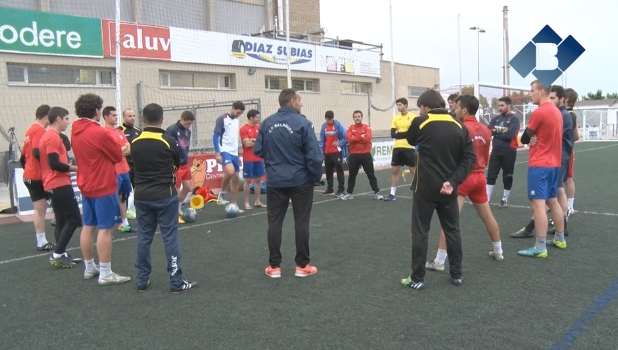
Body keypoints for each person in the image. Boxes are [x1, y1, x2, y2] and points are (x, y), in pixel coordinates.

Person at [400, 89, 475, 290]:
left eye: (420, 108)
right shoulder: (459, 125)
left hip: (425, 187)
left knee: (420, 232)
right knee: (452, 229)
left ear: (426, 106)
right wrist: (453, 181)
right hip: (449, 188)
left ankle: (417, 278)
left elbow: (410, 140)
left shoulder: (421, 122)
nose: (419, 111)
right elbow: (469, 158)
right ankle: (457, 274)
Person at [425, 95, 503, 273]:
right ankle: (498, 251)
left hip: (462, 178)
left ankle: (439, 261)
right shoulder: (485, 129)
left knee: (450, 220)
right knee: (487, 216)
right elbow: (485, 154)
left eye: (457, 107)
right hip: (479, 177)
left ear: (464, 110)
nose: (454, 109)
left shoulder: (459, 128)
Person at [254, 89, 322, 279]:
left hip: (275, 180)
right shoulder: (303, 123)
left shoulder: (267, 123)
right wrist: (315, 177)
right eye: (300, 100)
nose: (301, 104)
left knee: (274, 223)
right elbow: (315, 156)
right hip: (300, 180)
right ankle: (302, 266)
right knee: (301, 222)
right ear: (292, 102)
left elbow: (258, 150)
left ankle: (274, 267)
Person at [131, 103, 197, 293]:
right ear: (161, 119)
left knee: (144, 236)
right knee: (170, 238)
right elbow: (176, 164)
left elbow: (133, 166)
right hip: (164, 195)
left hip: (142, 196)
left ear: (143, 119)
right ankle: (176, 281)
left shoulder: (134, 142)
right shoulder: (169, 141)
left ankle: (142, 279)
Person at [71, 93, 131, 285]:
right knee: (106, 229)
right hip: (103, 185)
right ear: (97, 111)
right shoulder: (99, 132)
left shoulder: (75, 129)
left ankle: (90, 268)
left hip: (86, 184)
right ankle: (105, 273)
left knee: (88, 226)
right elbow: (116, 155)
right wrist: (122, 149)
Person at [516, 80, 566, 258]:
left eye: (532, 91)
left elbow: (523, 139)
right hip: (554, 164)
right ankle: (560, 238)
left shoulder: (540, 112)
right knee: (552, 200)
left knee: (538, 204)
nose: (530, 94)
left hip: (540, 164)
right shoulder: (557, 112)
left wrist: (530, 138)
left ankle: (540, 247)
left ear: (541, 92)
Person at [39, 107, 82, 268]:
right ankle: (57, 254)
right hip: (58, 183)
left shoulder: (48, 136)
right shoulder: (52, 137)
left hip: (52, 183)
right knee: (75, 219)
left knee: (62, 220)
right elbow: (54, 163)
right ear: (58, 119)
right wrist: (77, 168)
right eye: (66, 118)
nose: (68, 122)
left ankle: (61, 253)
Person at [21, 104, 55, 252]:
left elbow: (23, 157)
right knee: (41, 208)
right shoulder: (40, 130)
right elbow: (36, 152)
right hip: (36, 175)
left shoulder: (30, 129)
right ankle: (41, 241)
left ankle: (41, 239)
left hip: (29, 174)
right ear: (46, 117)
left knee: (40, 207)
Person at [102, 106, 133, 233]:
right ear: (106, 117)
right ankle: (107, 228)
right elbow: (109, 154)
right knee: (111, 199)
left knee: (123, 198)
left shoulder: (119, 132)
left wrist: (121, 150)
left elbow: (129, 150)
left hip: (124, 169)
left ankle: (124, 223)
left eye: (116, 115)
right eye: (113, 115)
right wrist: (122, 148)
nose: (116, 117)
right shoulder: (104, 133)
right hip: (113, 171)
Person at [486, 97, 520, 208]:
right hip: (496, 150)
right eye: (499, 105)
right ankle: (487, 199)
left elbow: (510, 135)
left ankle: (504, 199)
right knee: (491, 175)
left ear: (508, 105)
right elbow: (488, 132)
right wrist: (503, 130)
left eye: (502, 105)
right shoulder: (495, 119)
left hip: (509, 151)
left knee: (507, 176)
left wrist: (496, 131)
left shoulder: (514, 119)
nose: (500, 108)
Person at [340, 110, 382, 200]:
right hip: (354, 155)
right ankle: (349, 193)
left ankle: (377, 192)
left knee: (371, 174)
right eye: (355, 117)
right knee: (352, 175)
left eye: (359, 116)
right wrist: (360, 137)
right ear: (353, 118)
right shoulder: (350, 128)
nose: (357, 118)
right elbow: (350, 140)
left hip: (366, 155)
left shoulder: (367, 127)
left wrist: (356, 138)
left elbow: (367, 139)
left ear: (361, 117)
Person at [213, 101, 246, 208]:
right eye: (237, 112)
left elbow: (234, 138)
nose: (238, 115)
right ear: (233, 108)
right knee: (231, 171)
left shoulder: (236, 121)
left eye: (240, 113)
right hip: (224, 150)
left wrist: (237, 155)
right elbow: (215, 137)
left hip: (234, 152)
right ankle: (222, 192)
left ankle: (234, 204)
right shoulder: (222, 119)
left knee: (236, 179)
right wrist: (218, 153)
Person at [165, 111, 195, 223]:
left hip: (185, 163)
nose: (188, 126)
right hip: (175, 165)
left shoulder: (188, 131)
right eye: (187, 123)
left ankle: (177, 207)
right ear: (181, 119)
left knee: (187, 187)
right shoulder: (171, 130)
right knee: (175, 189)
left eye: (190, 124)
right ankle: (173, 214)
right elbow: (166, 145)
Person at [386, 98, 416, 201]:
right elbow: (392, 134)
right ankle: (392, 194)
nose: (398, 107)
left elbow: (412, 133)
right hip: (397, 147)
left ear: (406, 105)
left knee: (413, 170)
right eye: (397, 105)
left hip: (409, 147)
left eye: (400, 105)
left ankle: (419, 192)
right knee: (395, 170)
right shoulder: (395, 118)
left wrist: (400, 134)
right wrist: (405, 134)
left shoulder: (413, 117)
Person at [240, 109, 266, 210]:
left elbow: (262, 141)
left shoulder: (258, 128)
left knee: (258, 180)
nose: (259, 119)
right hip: (248, 159)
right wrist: (256, 141)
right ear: (251, 118)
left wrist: (253, 140)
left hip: (259, 158)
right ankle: (246, 202)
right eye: (257, 117)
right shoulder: (244, 129)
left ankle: (257, 201)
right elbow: (247, 144)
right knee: (247, 180)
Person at [318, 110, 347, 197]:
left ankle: (341, 189)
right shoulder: (324, 126)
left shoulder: (338, 125)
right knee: (328, 171)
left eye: (331, 119)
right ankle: (330, 189)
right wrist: (321, 152)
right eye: (328, 119)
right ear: (325, 119)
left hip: (336, 153)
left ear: (333, 118)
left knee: (339, 171)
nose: (329, 121)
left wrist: (340, 143)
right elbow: (322, 140)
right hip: (327, 153)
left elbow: (346, 137)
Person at [564, 88, 579, 215]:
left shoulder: (568, 115)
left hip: (565, 153)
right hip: (567, 151)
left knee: (567, 179)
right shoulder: (572, 115)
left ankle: (569, 207)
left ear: (566, 99)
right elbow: (576, 136)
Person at [118, 108, 141, 188]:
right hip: (125, 167)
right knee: (124, 194)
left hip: (137, 167)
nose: (132, 118)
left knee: (138, 189)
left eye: (134, 116)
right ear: (124, 117)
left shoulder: (138, 131)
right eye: (129, 116)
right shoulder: (119, 130)